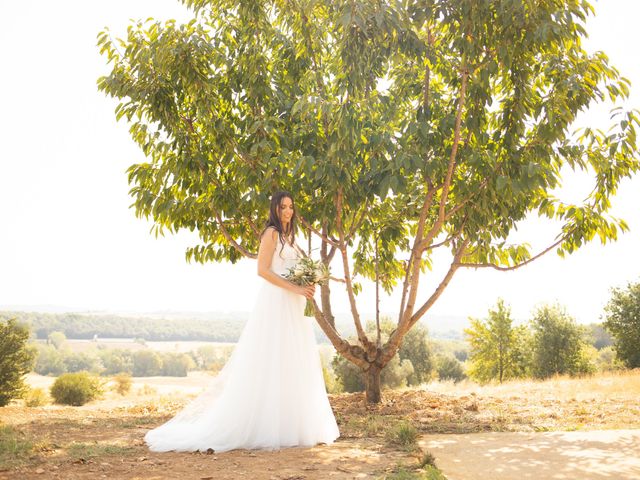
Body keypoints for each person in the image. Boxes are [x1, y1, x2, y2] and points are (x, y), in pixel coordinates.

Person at [144, 190, 340, 453]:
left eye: (291, 207)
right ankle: (264, 424)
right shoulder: (271, 233)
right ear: (275, 209)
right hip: (277, 302)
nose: (288, 212)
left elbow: (294, 269)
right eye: (283, 207)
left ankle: (293, 424)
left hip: (294, 304)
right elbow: (262, 270)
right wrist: (294, 288)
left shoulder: (290, 237)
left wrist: (308, 282)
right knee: (272, 358)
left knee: (294, 359)